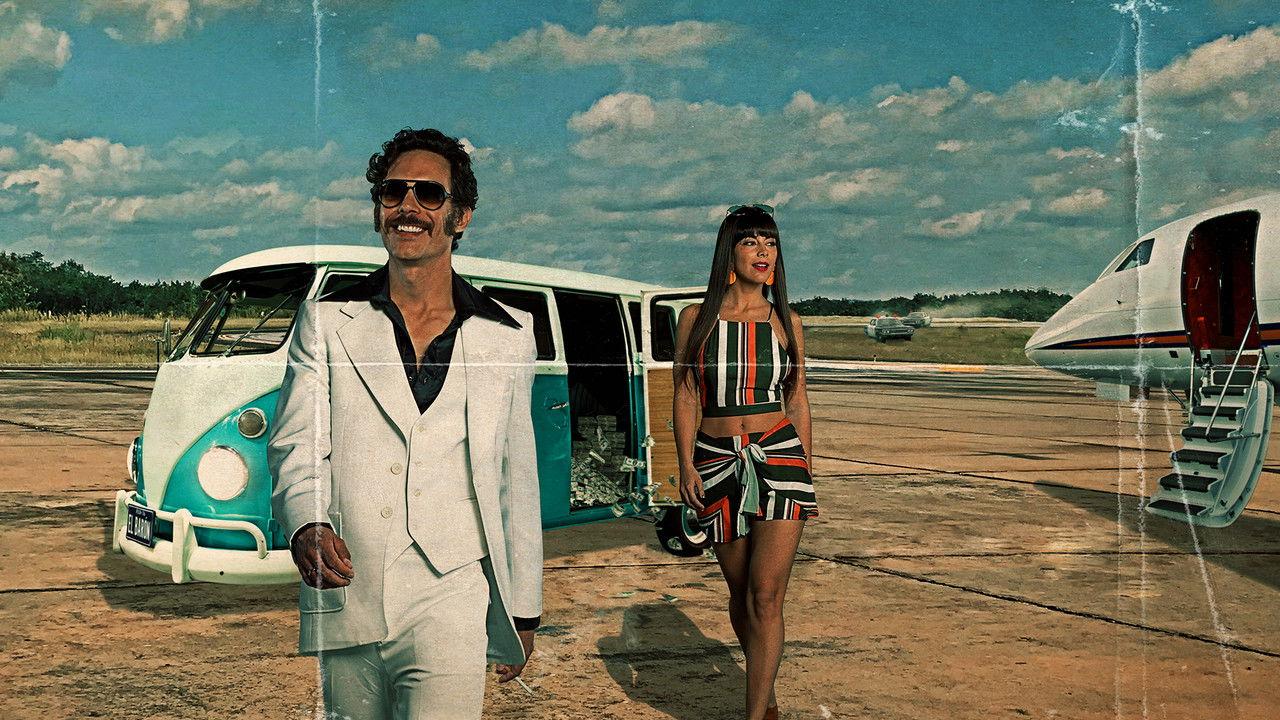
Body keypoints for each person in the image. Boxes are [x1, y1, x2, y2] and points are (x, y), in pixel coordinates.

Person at [268, 127, 543, 720]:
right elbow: (296, 443)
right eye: (394, 192)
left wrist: (524, 605)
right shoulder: (325, 322)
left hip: (455, 589)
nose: (408, 207)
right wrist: (306, 523)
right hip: (349, 584)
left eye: (429, 194)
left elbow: (515, 476)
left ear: (460, 216)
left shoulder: (509, 334)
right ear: (378, 211)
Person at [672, 204, 816, 720]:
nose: (763, 251)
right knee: (741, 595)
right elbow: (686, 394)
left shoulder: (787, 321)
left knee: (766, 595)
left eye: (770, 242)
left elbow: (797, 400)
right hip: (715, 462)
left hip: (779, 458)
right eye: (751, 241)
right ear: (729, 251)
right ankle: (765, 694)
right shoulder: (696, 319)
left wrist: (805, 470)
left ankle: (754, 715)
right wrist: (686, 465)